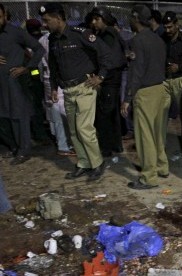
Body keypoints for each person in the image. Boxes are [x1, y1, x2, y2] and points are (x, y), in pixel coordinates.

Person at [40, 2, 112, 181]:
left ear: (58, 19)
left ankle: (97, 163)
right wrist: (55, 87)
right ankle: (83, 163)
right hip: (67, 90)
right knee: (73, 131)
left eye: (47, 20)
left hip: (84, 88)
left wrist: (100, 77)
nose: (44, 24)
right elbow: (54, 65)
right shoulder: (52, 39)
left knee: (84, 128)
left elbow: (105, 53)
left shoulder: (80, 34)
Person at [121, 4, 170, 190]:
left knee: (145, 136)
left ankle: (149, 177)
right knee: (157, 133)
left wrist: (127, 97)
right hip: (160, 89)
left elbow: (136, 71)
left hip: (146, 92)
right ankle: (162, 167)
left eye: (131, 19)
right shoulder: (158, 39)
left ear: (135, 19)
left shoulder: (138, 41)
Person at [0, 4, 46, 165]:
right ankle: (13, 146)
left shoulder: (15, 33)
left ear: (5, 15)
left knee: (19, 116)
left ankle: (24, 150)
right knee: (4, 118)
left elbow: (39, 49)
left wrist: (26, 68)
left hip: (15, 83)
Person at [88, 7, 127, 157]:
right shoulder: (109, 33)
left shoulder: (108, 33)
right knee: (112, 113)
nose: (93, 22)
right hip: (112, 77)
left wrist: (101, 76)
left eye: (96, 19)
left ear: (105, 19)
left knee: (104, 113)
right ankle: (115, 145)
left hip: (109, 78)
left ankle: (106, 147)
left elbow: (109, 58)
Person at [38, 32, 75, 156]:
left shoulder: (42, 39)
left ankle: (59, 140)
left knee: (52, 107)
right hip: (58, 79)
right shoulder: (59, 38)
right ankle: (64, 145)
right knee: (61, 111)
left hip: (47, 77)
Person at [162, 11, 182, 158]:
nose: (167, 30)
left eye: (170, 27)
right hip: (164, 80)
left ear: (176, 25)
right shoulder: (162, 39)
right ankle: (160, 146)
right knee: (161, 114)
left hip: (180, 80)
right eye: (165, 27)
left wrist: (179, 67)